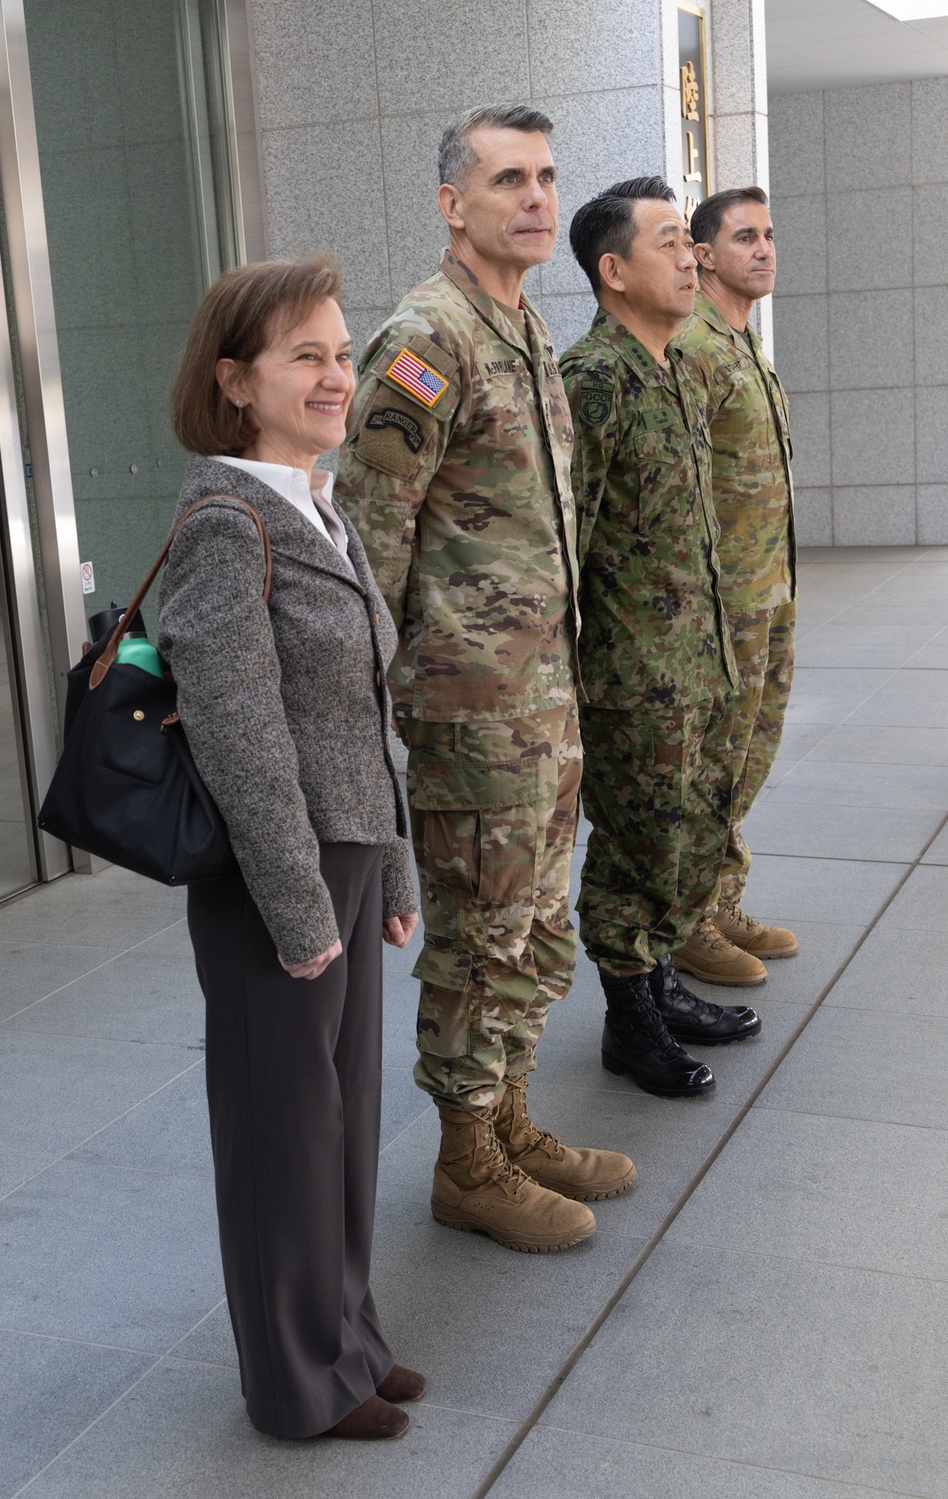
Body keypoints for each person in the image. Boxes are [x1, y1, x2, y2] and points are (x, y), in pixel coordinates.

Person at [335, 104, 634, 1254]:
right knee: (480, 932)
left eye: (548, 176)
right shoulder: (428, 340)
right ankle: (466, 1162)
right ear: (453, 204)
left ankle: (508, 1119)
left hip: (540, 704)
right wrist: (388, 703)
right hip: (473, 712)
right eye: (508, 177)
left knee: (534, 920)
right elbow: (369, 541)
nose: (537, 197)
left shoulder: (518, 327)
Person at [157, 256, 423, 1441]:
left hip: (348, 849)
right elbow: (237, 724)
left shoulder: (317, 502)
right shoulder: (226, 518)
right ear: (234, 380)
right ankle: (296, 1383)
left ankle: (347, 1343)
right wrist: (299, 901)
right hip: (283, 870)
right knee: (283, 1130)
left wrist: (395, 869)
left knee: (342, 1119)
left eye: (341, 348)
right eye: (302, 354)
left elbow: (365, 709)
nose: (334, 372)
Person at [561, 178, 762, 1100]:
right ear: (614, 271)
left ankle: (661, 986)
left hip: (696, 658)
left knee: (681, 838)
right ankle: (629, 1022)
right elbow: (572, 544)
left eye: (692, 242)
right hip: (633, 673)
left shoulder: (678, 365)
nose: (692, 257)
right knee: (634, 849)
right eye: (671, 243)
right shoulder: (593, 382)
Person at [675, 186, 798, 983]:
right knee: (714, 762)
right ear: (704, 255)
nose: (763, 249)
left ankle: (721, 898)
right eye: (744, 237)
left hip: (769, 592)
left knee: (747, 759)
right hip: (723, 606)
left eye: (769, 235)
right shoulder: (694, 348)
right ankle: (689, 922)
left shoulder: (746, 344)